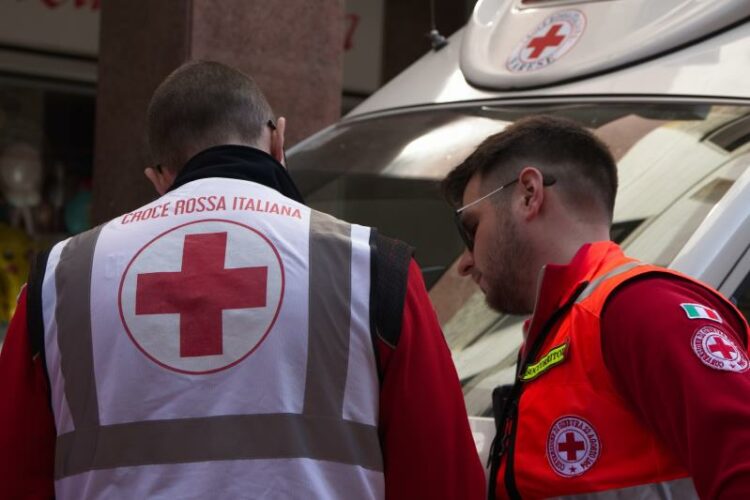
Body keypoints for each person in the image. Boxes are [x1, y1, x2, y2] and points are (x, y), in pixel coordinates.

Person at [0, 60, 485, 499]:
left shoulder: (58, 280)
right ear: (278, 141)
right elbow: (443, 478)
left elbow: (13, 473)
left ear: (158, 178)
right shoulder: (373, 266)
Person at [441, 115, 750, 499]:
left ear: (529, 194)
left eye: (470, 229)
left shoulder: (640, 307)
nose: (464, 262)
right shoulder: (566, 327)